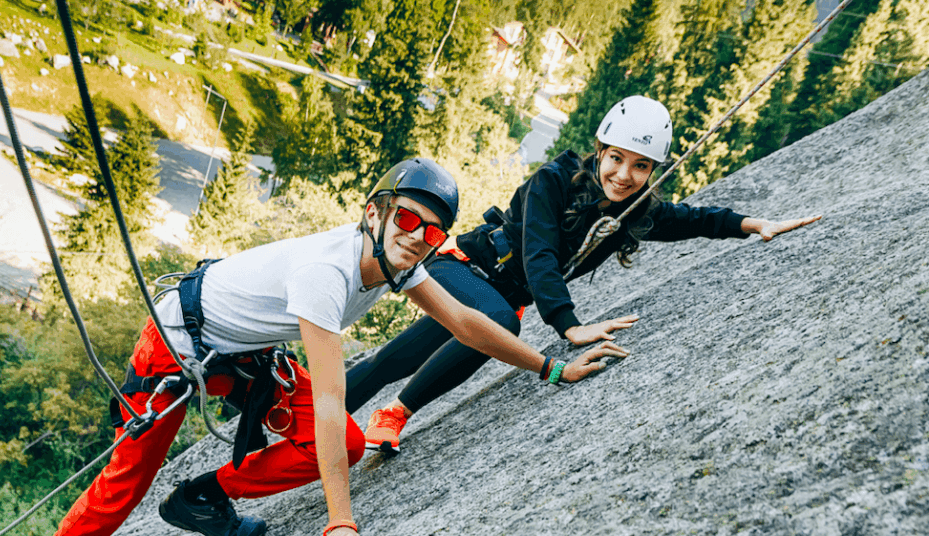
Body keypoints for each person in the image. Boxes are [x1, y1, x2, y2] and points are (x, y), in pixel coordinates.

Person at [27, 158, 629, 536]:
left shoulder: (403, 262)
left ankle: (202, 497)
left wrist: (551, 369)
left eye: (434, 228)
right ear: (376, 213)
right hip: (176, 342)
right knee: (130, 476)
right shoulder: (329, 274)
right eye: (408, 219)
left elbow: (468, 324)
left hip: (243, 351)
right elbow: (331, 398)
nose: (419, 235)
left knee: (344, 440)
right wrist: (339, 521)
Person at [349, 96, 821, 453]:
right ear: (599, 151)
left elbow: (693, 220)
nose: (624, 174)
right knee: (501, 322)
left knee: (392, 361)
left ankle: (355, 412)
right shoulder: (551, 182)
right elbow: (538, 255)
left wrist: (752, 225)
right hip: (464, 267)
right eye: (616, 158)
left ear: (652, 171)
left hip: (498, 296)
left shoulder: (630, 212)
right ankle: (394, 410)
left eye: (640, 167)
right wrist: (567, 324)